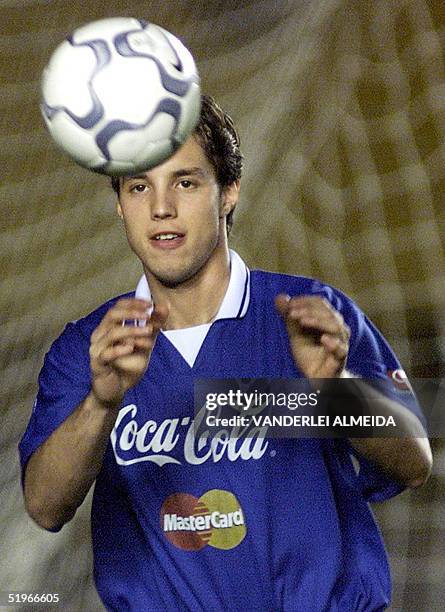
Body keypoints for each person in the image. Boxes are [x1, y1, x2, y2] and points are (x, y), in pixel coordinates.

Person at [20, 95, 432, 612]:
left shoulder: (311, 314)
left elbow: (414, 463)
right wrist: (101, 404)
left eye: (185, 182)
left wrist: (333, 388)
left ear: (229, 192)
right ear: (119, 203)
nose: (161, 207)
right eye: (139, 186)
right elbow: (43, 506)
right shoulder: (88, 346)